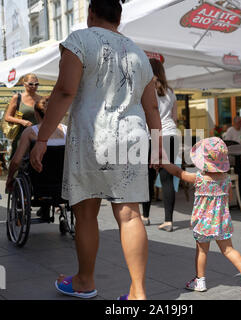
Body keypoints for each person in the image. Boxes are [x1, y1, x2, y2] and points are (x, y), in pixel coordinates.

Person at [30, 0, 162, 300]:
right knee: (130, 215)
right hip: (132, 139)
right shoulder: (138, 53)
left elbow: (65, 91)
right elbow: (152, 107)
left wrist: (42, 139)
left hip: (93, 136)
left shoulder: (79, 40)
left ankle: (84, 281)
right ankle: (139, 294)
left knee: (86, 213)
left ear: (91, 13)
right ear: (119, 18)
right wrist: (159, 149)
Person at [160, 137, 241, 295]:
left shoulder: (198, 178)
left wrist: (164, 162)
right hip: (221, 221)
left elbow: (178, 172)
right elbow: (229, 198)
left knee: (202, 251)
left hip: (203, 223)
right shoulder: (226, 180)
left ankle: (200, 281)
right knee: (229, 250)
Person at [6, 97, 67, 208]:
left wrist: (10, 178)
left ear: (36, 113)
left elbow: (16, 161)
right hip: (64, 182)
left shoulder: (31, 132)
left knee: (24, 166)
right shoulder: (67, 130)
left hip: (39, 183)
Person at [141, 58, 179, 232]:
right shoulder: (171, 92)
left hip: (152, 135)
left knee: (147, 178)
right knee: (167, 179)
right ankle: (169, 221)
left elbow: (146, 115)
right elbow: (175, 118)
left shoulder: (146, 89)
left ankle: (146, 216)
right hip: (171, 135)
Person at [5, 73, 42, 159]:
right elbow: (7, 117)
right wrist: (22, 121)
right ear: (24, 84)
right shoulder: (17, 98)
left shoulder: (41, 99)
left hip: (37, 137)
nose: (34, 86)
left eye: (36, 84)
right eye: (31, 84)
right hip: (21, 137)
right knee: (19, 162)